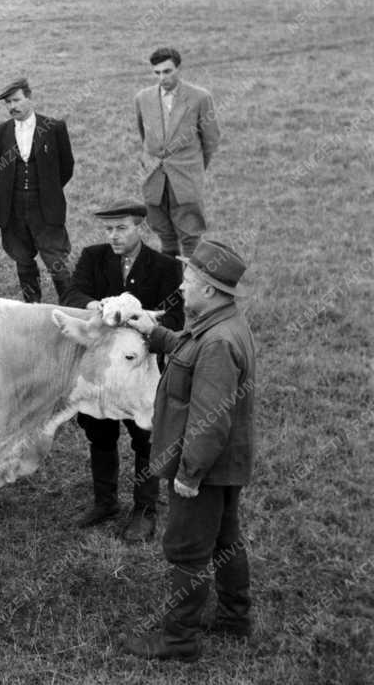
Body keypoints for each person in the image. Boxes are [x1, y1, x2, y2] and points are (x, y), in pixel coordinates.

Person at [121, 239, 255, 662]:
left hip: (205, 467)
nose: (181, 286)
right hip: (226, 465)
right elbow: (187, 346)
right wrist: (153, 331)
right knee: (225, 539)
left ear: (211, 290)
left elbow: (210, 418)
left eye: (190, 280)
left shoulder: (217, 343)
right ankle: (235, 618)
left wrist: (188, 474)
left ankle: (179, 641)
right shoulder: (220, 324)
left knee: (187, 549)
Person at [62, 199, 184, 541]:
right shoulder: (93, 257)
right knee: (99, 430)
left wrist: (139, 318)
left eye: (121, 228)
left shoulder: (164, 267)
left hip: (141, 371)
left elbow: (175, 319)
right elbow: (72, 293)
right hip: (102, 370)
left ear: (140, 228)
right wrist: (96, 307)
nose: (113, 236)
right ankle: (105, 501)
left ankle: (145, 509)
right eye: (109, 229)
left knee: (145, 436)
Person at [0, 77, 74, 303]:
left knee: (56, 261)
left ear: (29, 98)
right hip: (13, 207)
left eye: (16, 100)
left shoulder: (54, 127)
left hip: (45, 207)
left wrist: (48, 192)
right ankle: (33, 308)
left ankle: (72, 306)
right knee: (23, 260)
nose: (12, 106)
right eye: (7, 103)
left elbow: (66, 167)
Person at [135, 48, 221, 259]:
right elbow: (144, 135)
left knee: (191, 236)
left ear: (179, 69)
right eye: (157, 73)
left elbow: (210, 139)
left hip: (186, 178)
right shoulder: (143, 98)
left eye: (167, 71)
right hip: (154, 178)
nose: (162, 78)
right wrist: (151, 164)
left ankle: (192, 287)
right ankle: (171, 285)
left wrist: (193, 168)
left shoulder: (200, 98)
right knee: (165, 236)